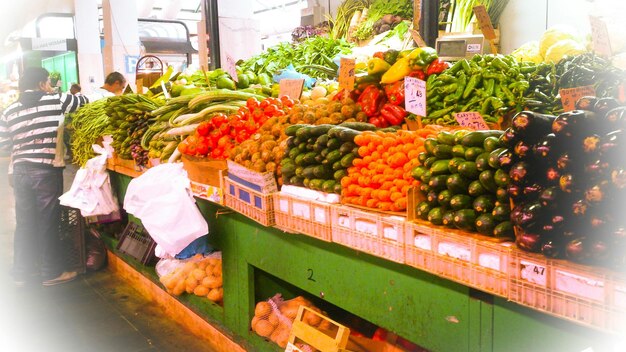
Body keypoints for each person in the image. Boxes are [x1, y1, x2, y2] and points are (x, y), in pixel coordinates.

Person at [0, 66, 88, 287]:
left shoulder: (8, 111)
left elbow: (3, 144)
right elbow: (84, 102)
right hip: (45, 171)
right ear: (42, 83)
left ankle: (22, 272)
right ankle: (51, 272)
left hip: (20, 171)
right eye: (47, 82)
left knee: (25, 222)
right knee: (48, 221)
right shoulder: (56, 100)